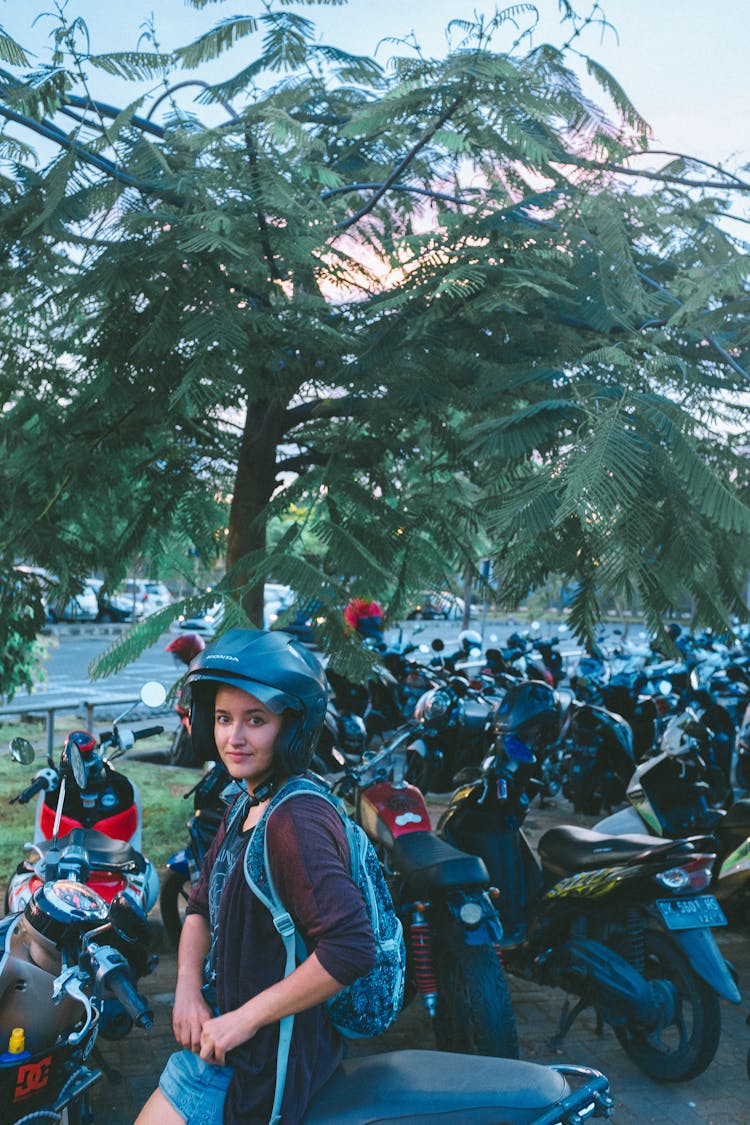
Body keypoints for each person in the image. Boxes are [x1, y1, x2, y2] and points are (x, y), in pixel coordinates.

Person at [135, 629, 376, 1125]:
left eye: (256, 720)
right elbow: (201, 905)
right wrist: (185, 987)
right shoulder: (248, 801)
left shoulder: (296, 821)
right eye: (223, 719)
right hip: (221, 1050)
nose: (233, 737)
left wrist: (240, 1022)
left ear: (291, 728)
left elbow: (350, 947)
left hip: (260, 1066)